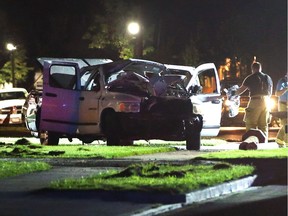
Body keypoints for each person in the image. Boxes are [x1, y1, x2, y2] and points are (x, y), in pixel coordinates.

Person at [235, 62, 273, 141]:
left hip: (255, 101)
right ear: (260, 68)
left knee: (251, 123)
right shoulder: (268, 78)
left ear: (253, 69)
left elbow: (240, 91)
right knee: (264, 124)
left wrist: (233, 93)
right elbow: (271, 91)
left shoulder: (250, 77)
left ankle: (251, 141)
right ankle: (263, 142)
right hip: (267, 101)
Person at [275, 74, 288, 147]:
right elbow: (277, 94)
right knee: (286, 124)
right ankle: (287, 142)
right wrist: (285, 89)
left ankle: (279, 139)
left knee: (285, 124)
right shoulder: (282, 81)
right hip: (283, 104)